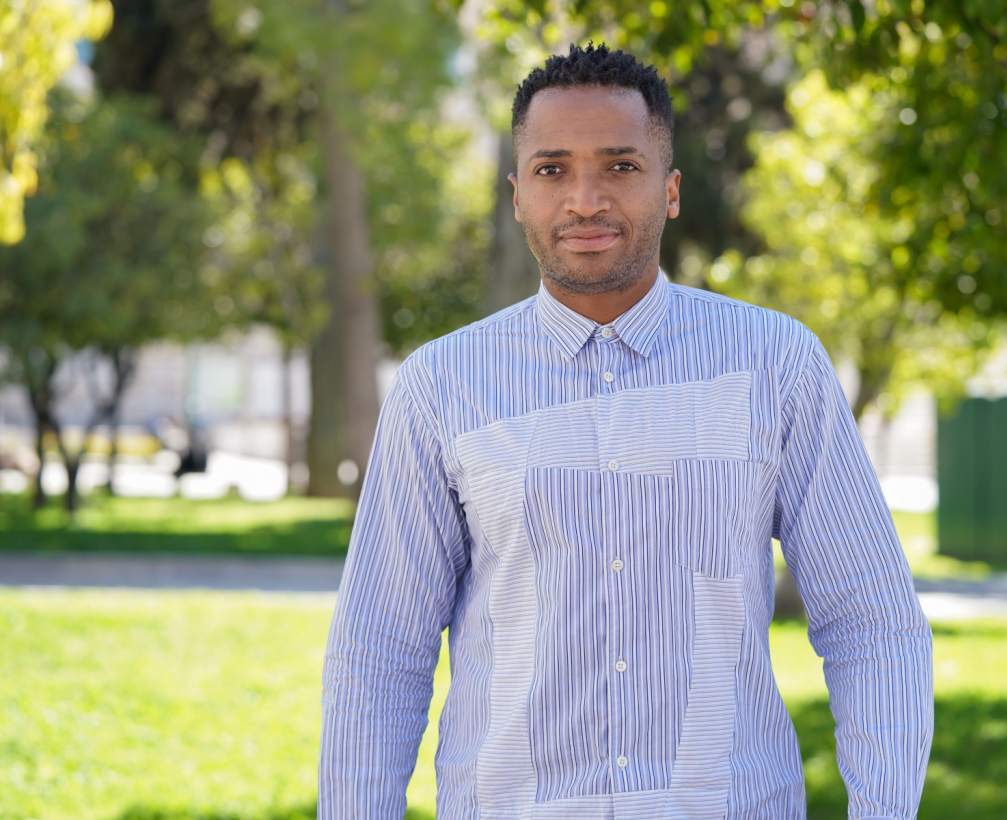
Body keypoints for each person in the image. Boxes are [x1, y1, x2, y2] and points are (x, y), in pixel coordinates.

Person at [318, 43, 933, 819]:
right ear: (516, 195)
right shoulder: (442, 385)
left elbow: (871, 620)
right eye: (552, 170)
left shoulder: (777, 365)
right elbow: (381, 651)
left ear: (670, 190)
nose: (585, 199)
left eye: (620, 166)